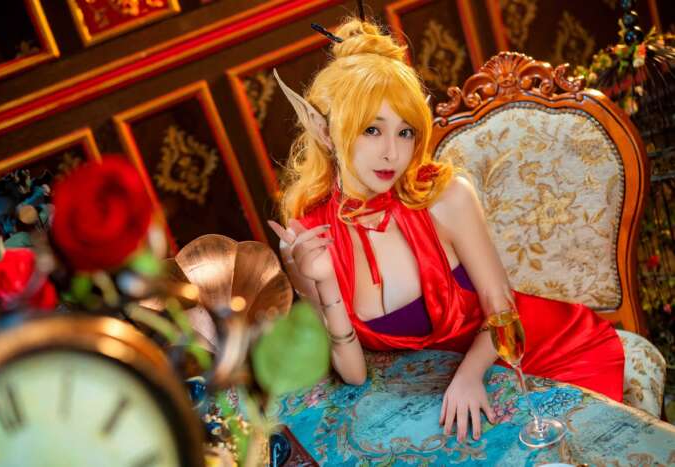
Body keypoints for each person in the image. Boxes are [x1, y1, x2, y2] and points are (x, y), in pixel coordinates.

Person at [267, 18, 624, 443]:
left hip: (539, 356)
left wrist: (469, 376)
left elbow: (503, 309)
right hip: (431, 400)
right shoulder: (309, 236)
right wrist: (321, 280)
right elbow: (354, 374)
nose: (392, 152)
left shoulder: (445, 196)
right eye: (372, 130)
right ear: (326, 132)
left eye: (405, 132)